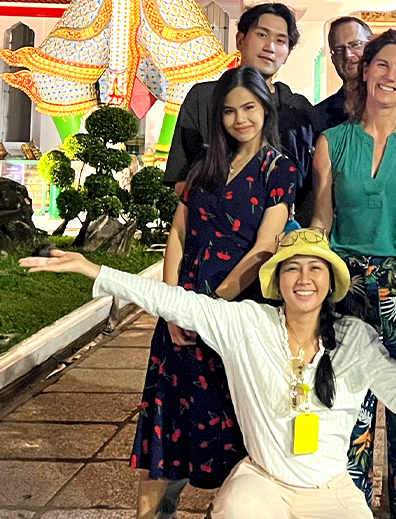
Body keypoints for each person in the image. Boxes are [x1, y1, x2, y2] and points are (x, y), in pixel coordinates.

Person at [21, 230, 396, 519]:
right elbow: (172, 302)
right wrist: (93, 269)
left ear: (330, 282)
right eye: (292, 268)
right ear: (277, 282)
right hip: (263, 484)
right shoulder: (248, 324)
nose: (304, 278)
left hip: (331, 488)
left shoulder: (355, 338)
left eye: (315, 268)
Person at [132, 66, 295, 518]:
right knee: (168, 427)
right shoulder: (205, 166)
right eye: (229, 111)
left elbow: (266, 247)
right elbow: (178, 235)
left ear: (266, 109)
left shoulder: (278, 170)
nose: (240, 119)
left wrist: (210, 308)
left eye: (249, 108)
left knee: (236, 426)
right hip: (182, 313)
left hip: (235, 316)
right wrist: (171, 306)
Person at [307, 28, 396, 516]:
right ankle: (345, 507)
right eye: (382, 65)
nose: (390, 76)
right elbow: (322, 218)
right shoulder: (331, 143)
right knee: (346, 404)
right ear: (364, 70)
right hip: (346, 284)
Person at [165, 3, 320, 209]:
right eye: (262, 35)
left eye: (280, 40)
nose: (270, 47)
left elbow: (311, 187)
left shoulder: (299, 110)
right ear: (240, 40)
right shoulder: (203, 98)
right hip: (213, 229)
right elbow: (182, 179)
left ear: (288, 53)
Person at [312, 16, 372, 128]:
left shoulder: (394, 108)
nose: (348, 55)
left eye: (355, 45)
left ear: (371, 48)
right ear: (333, 59)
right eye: (339, 50)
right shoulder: (318, 117)